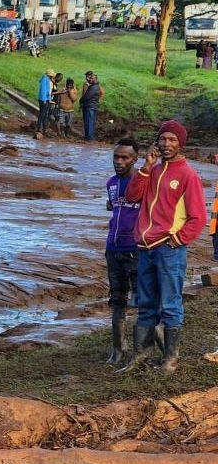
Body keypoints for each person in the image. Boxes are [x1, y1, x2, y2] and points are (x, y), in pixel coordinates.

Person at [120, 121, 207, 375]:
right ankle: (141, 356)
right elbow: (133, 196)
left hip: (169, 249)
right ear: (156, 142)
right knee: (146, 304)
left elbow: (198, 217)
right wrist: (145, 167)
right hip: (146, 248)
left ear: (180, 143)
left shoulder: (188, 175)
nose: (166, 144)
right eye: (162, 139)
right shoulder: (154, 171)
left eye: (172, 140)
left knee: (170, 304)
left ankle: (170, 361)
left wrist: (177, 239)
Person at [104, 138, 141, 365]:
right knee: (117, 300)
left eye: (124, 157)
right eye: (116, 157)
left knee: (143, 303)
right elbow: (113, 208)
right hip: (113, 249)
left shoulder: (144, 183)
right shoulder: (111, 183)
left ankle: (149, 350)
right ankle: (118, 350)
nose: (119, 161)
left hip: (136, 251)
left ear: (135, 160)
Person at [81, 71, 104, 140]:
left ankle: (89, 137)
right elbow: (84, 94)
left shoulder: (95, 86)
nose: (88, 78)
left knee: (89, 121)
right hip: (88, 104)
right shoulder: (87, 84)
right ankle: (88, 136)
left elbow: (102, 93)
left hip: (90, 105)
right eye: (87, 76)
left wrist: (98, 101)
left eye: (90, 77)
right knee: (88, 121)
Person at [37, 68, 54, 134]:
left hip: (46, 99)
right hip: (44, 100)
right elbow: (43, 90)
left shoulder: (46, 79)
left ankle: (43, 129)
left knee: (44, 115)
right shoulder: (45, 79)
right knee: (42, 114)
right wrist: (44, 100)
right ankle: (40, 128)